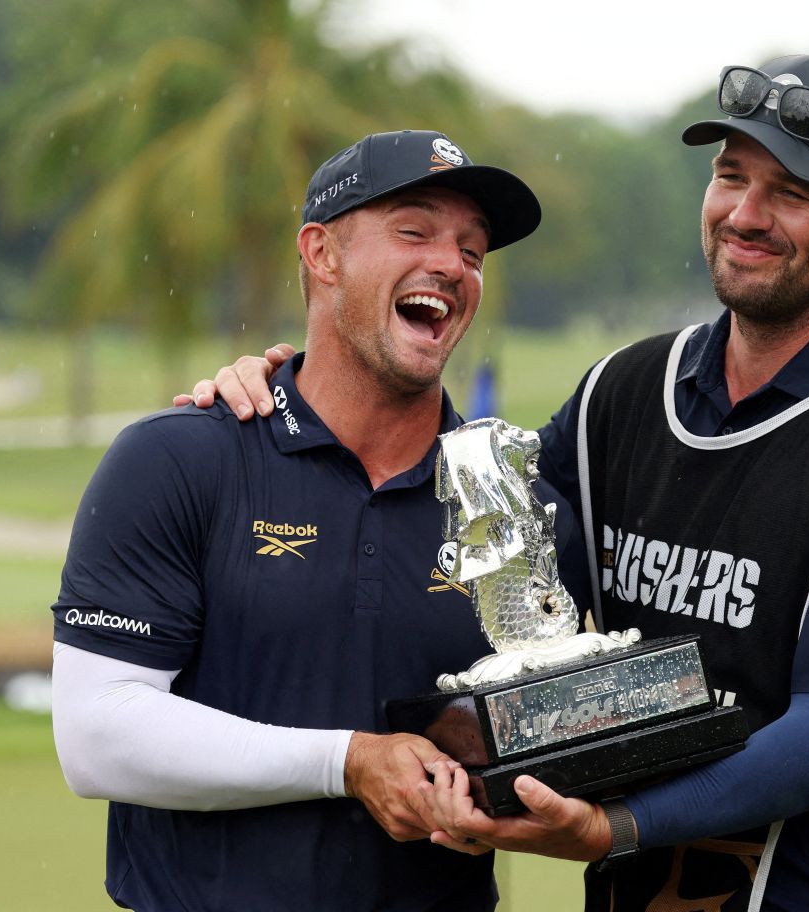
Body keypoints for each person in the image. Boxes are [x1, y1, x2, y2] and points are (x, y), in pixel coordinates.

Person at [190, 56, 809, 912]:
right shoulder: (625, 393)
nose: (746, 213)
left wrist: (609, 826)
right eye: (730, 176)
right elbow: (468, 560)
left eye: (794, 193)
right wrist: (298, 394)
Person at [50, 129, 581, 912]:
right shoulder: (178, 460)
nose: (451, 264)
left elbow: (551, 730)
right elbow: (97, 736)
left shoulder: (515, 509)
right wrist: (349, 762)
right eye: (414, 230)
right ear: (322, 254)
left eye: (472, 251)